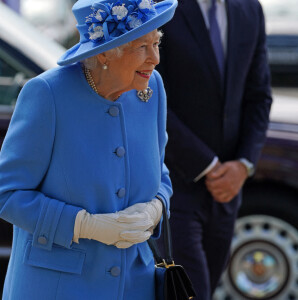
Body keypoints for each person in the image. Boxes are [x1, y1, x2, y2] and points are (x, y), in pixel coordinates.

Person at [0, 0, 177, 299]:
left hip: (135, 284)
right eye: (141, 47)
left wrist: (155, 209)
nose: (155, 59)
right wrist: (86, 226)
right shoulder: (47, 94)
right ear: (105, 52)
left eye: (156, 42)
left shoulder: (152, 88)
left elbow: (160, 172)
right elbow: (7, 193)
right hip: (59, 287)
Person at [156, 0, 272, 298]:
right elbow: (151, 96)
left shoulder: (249, 9)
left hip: (228, 190)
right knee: (192, 290)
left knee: (206, 286)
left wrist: (244, 164)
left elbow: (258, 96)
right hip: (174, 185)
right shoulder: (163, 7)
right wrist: (208, 165)